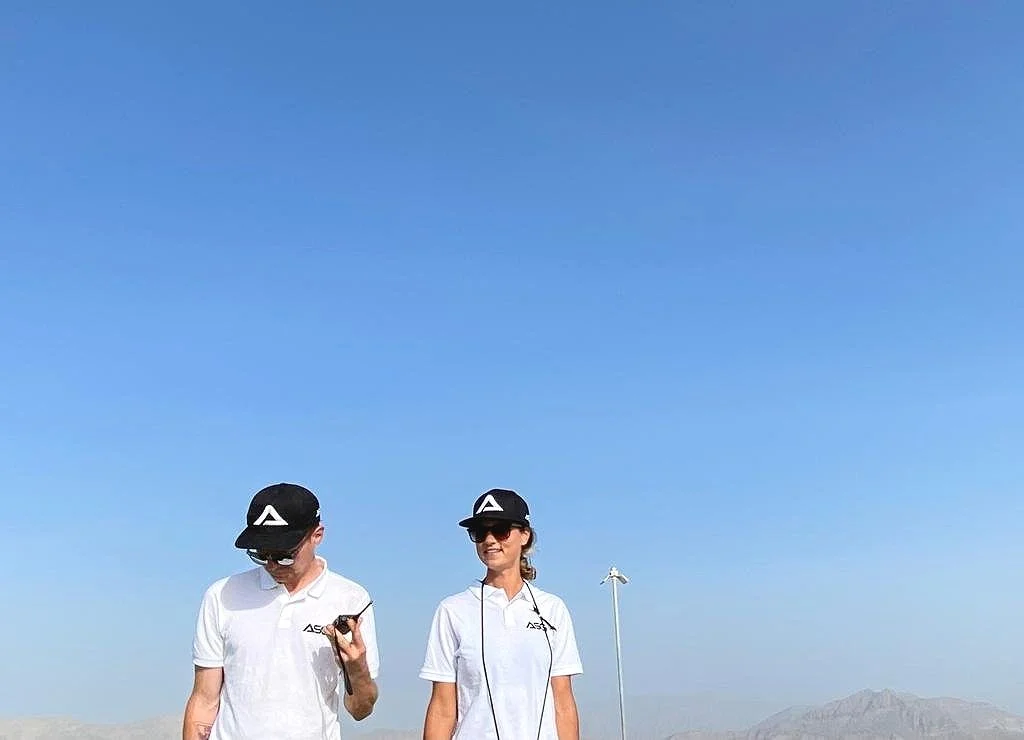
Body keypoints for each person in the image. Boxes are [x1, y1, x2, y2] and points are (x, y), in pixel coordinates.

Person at [182, 482, 380, 740]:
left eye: (284, 555)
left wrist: (358, 670)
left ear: (317, 535)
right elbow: (204, 700)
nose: (272, 565)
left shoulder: (351, 599)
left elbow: (360, 710)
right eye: (261, 554)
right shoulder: (222, 595)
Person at [420, 488, 583, 740]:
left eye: (501, 530)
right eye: (479, 532)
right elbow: (442, 708)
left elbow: (563, 702)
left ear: (525, 535)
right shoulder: (452, 611)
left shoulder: (553, 609)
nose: (489, 540)